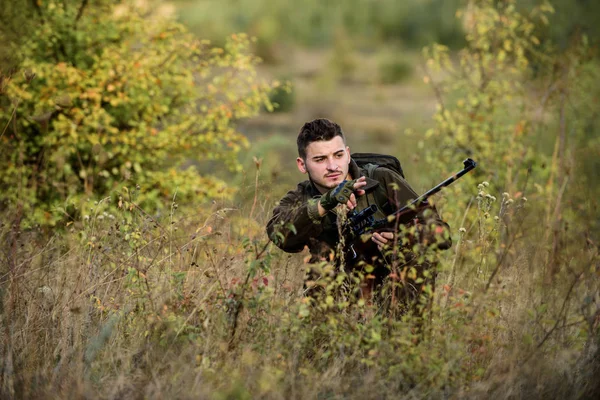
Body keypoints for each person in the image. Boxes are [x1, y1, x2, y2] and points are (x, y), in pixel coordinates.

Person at [266, 118, 451, 312]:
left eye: (338, 155)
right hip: (338, 293)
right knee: (319, 268)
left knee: (418, 257)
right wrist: (325, 203)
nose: (332, 166)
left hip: (390, 283)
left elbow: (442, 234)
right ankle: (324, 340)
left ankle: (406, 337)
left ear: (347, 154)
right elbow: (278, 234)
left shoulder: (382, 179)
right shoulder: (302, 196)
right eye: (320, 159)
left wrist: (406, 237)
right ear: (302, 165)